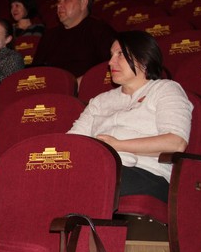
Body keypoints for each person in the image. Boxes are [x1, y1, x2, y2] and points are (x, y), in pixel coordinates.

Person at [68, 31, 192, 202]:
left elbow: (176, 143)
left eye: (120, 54)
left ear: (144, 58)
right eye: (111, 55)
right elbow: (73, 141)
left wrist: (117, 145)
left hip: (147, 173)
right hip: (100, 167)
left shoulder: (165, 90)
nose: (111, 62)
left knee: (82, 182)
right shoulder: (100, 101)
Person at [33, 0, 116, 79]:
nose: (59, 5)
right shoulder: (49, 35)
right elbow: (36, 70)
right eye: (59, 1)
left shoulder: (100, 30)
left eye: (66, 0)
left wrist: (83, 81)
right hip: (53, 85)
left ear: (83, 3)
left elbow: (110, 66)